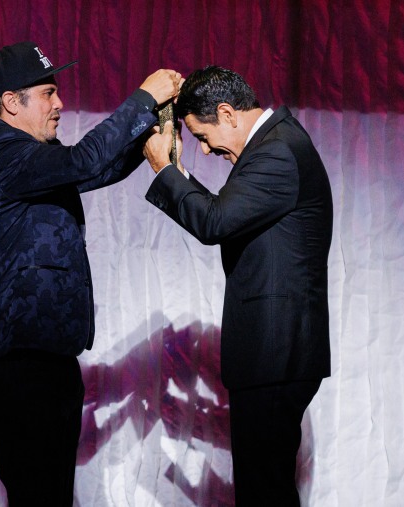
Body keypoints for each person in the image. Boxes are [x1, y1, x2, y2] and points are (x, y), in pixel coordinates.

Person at [0, 41, 181, 506]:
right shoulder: (2, 151)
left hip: (48, 363)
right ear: (10, 102)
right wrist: (142, 99)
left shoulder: (28, 155)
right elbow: (84, 160)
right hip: (17, 369)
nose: (60, 104)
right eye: (48, 93)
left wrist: (149, 138)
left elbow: (91, 171)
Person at [142, 65, 333, 506]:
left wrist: (162, 167)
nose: (206, 152)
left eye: (203, 137)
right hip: (275, 354)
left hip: (276, 353)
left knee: (263, 491)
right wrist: (175, 173)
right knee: (265, 488)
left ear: (227, 113)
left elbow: (214, 222)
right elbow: (223, 213)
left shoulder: (277, 152)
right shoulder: (275, 144)